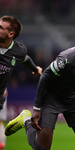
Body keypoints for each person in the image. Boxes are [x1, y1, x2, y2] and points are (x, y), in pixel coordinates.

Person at [0, 15, 42, 149]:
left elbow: (25, 59)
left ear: (10, 34)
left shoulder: (18, 50)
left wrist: (35, 69)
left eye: (0, 27)